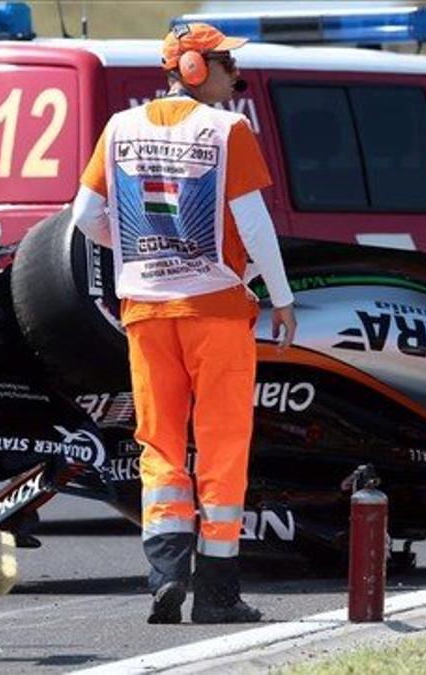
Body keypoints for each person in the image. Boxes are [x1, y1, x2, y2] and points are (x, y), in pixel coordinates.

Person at [70, 22, 298, 621]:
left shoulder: (119, 128)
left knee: (159, 444)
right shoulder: (229, 129)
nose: (236, 78)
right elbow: (254, 225)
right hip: (218, 311)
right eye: (228, 65)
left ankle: (166, 576)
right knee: (222, 448)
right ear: (196, 69)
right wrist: (281, 297)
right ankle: (218, 594)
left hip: (145, 310)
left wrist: (135, 252)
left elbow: (86, 215)